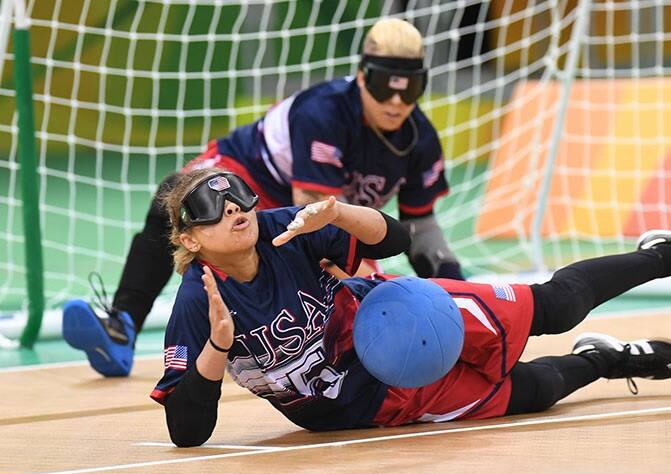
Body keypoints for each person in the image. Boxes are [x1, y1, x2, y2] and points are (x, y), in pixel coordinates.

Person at [149, 169, 671, 447]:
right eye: (213, 206)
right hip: (365, 408)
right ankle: (603, 362)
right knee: (528, 394)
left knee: (552, 307)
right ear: (190, 238)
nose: (235, 210)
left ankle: (670, 256)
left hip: (397, 318)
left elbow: (396, 241)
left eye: (238, 196)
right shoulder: (198, 308)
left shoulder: (290, 229)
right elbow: (188, 433)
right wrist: (218, 348)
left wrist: (338, 213)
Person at [62, 18, 465, 377]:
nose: (396, 102)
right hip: (246, 175)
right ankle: (122, 325)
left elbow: (421, 224)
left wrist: (455, 293)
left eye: (410, 89)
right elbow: (317, 217)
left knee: (367, 279)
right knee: (174, 199)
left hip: (308, 202)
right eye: (383, 87)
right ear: (362, 77)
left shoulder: (422, 139)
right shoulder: (323, 114)